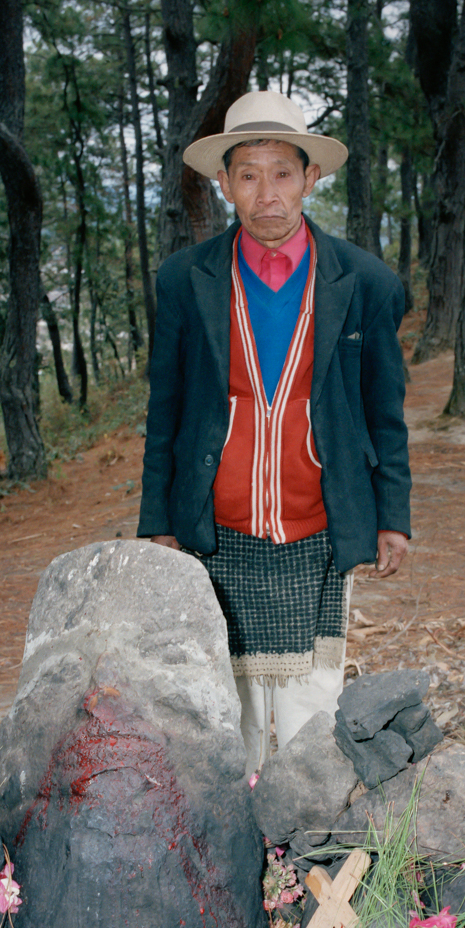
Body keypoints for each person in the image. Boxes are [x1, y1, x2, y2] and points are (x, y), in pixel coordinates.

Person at [137, 90, 411, 770]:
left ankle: (302, 837)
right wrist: (157, 521)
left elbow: (385, 407)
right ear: (224, 183)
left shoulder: (366, 282)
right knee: (225, 700)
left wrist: (393, 514)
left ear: (310, 178)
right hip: (214, 526)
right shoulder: (184, 280)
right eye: (249, 175)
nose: (267, 194)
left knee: (309, 702)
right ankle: (239, 839)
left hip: (318, 520)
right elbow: (165, 409)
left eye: (283, 172)